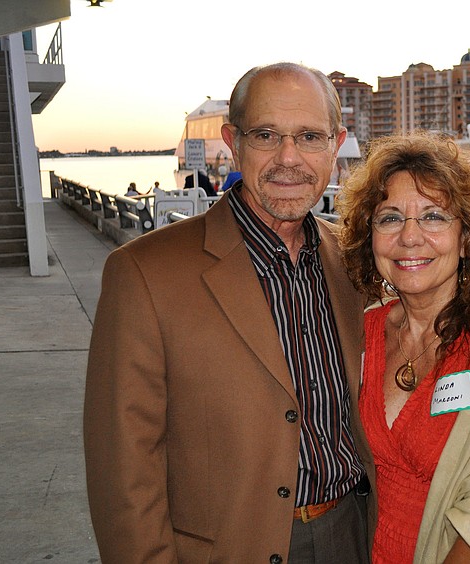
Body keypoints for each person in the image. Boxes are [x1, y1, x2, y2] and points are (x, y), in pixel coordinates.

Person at [84, 62, 375, 563]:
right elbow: (123, 471)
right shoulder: (143, 273)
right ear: (232, 142)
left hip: (354, 535)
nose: (289, 158)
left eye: (309, 137)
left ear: (336, 144)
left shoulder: (353, 260)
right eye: (266, 135)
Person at [337, 132, 470, 563]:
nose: (410, 237)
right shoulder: (362, 329)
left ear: (467, 236)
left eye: (434, 216)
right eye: (389, 218)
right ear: (370, 235)